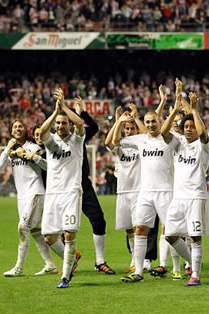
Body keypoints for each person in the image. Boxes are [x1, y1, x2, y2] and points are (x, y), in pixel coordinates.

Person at [115, 97, 180, 283]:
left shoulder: (169, 140)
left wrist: (173, 109)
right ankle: (139, 272)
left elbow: (164, 130)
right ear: (144, 124)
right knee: (140, 229)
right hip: (145, 192)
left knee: (171, 233)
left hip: (166, 191)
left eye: (154, 121)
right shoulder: (140, 140)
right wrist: (119, 121)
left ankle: (181, 267)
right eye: (148, 122)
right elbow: (116, 141)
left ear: (160, 121)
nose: (151, 124)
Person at [0, 120, 57, 277]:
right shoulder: (12, 151)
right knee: (36, 231)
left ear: (25, 129)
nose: (17, 128)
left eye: (20, 126)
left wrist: (33, 157)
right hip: (22, 197)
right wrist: (8, 148)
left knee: (23, 228)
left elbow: (49, 166)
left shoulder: (33, 147)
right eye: (15, 127)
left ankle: (19, 268)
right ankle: (50, 264)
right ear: (11, 131)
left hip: (35, 193)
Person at [163, 92, 209, 286]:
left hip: (196, 197)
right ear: (182, 130)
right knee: (170, 235)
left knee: (194, 237)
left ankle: (196, 275)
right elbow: (164, 132)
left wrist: (193, 111)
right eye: (186, 127)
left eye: (192, 126)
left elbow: (203, 134)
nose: (190, 129)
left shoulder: (203, 146)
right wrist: (175, 109)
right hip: (178, 198)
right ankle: (194, 264)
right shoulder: (178, 143)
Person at [39, 89, 86, 288]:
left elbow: (81, 124)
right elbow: (42, 132)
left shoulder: (76, 141)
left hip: (71, 193)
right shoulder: (51, 143)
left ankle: (65, 276)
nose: (60, 126)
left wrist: (65, 108)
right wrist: (55, 111)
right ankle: (72, 260)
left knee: (68, 234)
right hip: (52, 194)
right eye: (58, 123)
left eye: (63, 123)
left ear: (69, 125)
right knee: (49, 238)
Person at [73, 96, 115, 275]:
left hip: (83, 184)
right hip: (63, 187)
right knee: (59, 228)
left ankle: (99, 261)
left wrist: (81, 112)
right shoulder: (55, 141)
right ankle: (67, 259)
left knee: (98, 219)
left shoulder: (79, 138)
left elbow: (95, 127)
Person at [105, 104, 144, 274]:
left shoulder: (142, 143)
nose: (129, 131)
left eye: (131, 128)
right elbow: (109, 142)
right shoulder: (120, 145)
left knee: (138, 227)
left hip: (139, 191)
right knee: (129, 229)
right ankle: (134, 258)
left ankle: (139, 262)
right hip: (122, 191)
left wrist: (136, 118)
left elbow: (146, 135)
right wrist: (118, 122)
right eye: (126, 129)